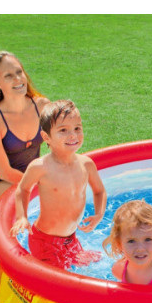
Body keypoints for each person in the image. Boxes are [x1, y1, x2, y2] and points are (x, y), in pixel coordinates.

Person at [10, 100, 107, 269]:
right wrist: (22, 217)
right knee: (59, 279)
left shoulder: (86, 164)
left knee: (94, 263)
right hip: (45, 241)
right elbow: (23, 189)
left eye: (77, 128)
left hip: (71, 238)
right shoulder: (41, 167)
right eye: (63, 130)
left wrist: (99, 214)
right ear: (46, 137)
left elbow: (99, 191)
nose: (73, 135)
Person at [0, 51, 50, 204]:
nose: (18, 79)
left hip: (29, 174)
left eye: (19, 72)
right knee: (27, 211)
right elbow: (4, 172)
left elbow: (58, 144)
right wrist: (39, 185)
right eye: (8, 76)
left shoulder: (42, 106)